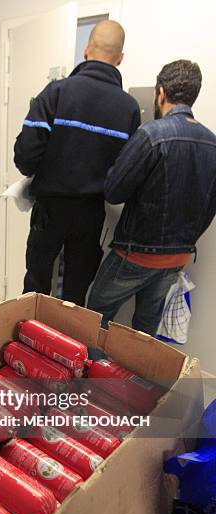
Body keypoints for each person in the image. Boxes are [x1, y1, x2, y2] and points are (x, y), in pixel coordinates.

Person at [14, 20, 140, 306]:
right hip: (91, 212)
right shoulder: (129, 108)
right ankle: (67, 347)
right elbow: (126, 173)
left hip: (50, 209)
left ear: (86, 50)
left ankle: (29, 343)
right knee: (75, 292)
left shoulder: (56, 93)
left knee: (36, 285)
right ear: (120, 58)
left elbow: (25, 156)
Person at [87, 59, 216, 336]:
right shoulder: (212, 143)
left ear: (161, 93)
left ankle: (94, 377)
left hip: (136, 253)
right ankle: (137, 379)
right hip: (176, 258)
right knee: (144, 330)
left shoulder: (151, 135)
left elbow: (114, 191)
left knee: (95, 315)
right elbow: (210, 207)